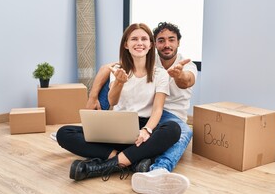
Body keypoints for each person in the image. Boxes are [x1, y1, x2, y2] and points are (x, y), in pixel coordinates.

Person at [56, 23, 182, 184]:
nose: (139, 43)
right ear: (126, 44)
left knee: (173, 129)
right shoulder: (117, 70)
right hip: (117, 126)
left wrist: (146, 130)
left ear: (150, 44)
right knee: (64, 133)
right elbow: (111, 102)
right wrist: (120, 82)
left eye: (144, 39)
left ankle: (101, 167)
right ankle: (131, 160)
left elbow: (157, 110)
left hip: (141, 129)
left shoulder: (161, 74)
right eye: (134, 39)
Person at [86, 22, 197, 194]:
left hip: (168, 115)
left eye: (171, 40)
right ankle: (95, 130)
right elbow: (107, 68)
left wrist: (178, 75)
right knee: (114, 80)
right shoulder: (145, 55)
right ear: (155, 43)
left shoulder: (187, 65)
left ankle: (157, 171)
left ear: (178, 42)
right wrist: (92, 97)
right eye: (161, 40)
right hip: (144, 112)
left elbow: (187, 81)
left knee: (184, 131)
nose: (166, 44)